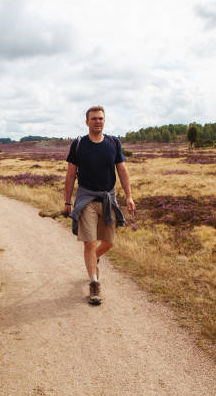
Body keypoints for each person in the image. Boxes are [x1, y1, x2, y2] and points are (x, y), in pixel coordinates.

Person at [64, 106, 135, 305]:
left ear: (104, 121)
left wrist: (129, 196)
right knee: (89, 242)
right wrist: (67, 202)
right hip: (86, 199)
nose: (98, 121)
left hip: (107, 198)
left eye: (101, 118)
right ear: (87, 122)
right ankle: (94, 284)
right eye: (93, 118)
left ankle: (92, 260)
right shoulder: (78, 144)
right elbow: (70, 174)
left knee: (109, 242)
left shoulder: (113, 143)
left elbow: (122, 170)